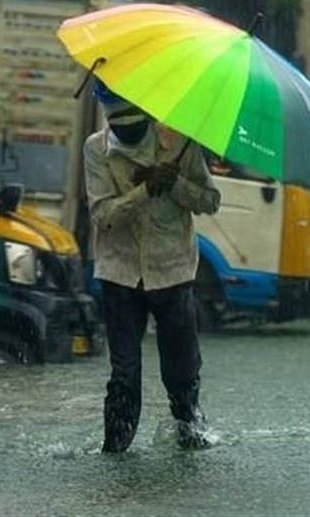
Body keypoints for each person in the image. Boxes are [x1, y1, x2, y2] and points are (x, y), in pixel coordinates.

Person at [83, 80, 221, 453]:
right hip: (120, 274)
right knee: (124, 374)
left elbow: (210, 201)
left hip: (172, 274)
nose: (129, 134)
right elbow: (103, 215)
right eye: (121, 128)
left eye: (136, 127)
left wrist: (175, 184)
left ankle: (190, 433)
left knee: (181, 374)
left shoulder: (179, 143)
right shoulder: (96, 150)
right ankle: (114, 450)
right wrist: (144, 191)